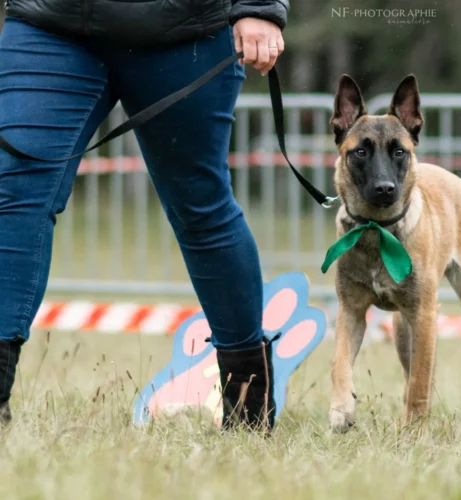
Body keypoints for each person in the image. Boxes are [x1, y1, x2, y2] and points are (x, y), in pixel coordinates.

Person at [0, 0, 290, 432]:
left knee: (201, 207)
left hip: (185, 29)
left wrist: (260, 7)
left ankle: (248, 404)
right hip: (52, 23)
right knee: (16, 194)